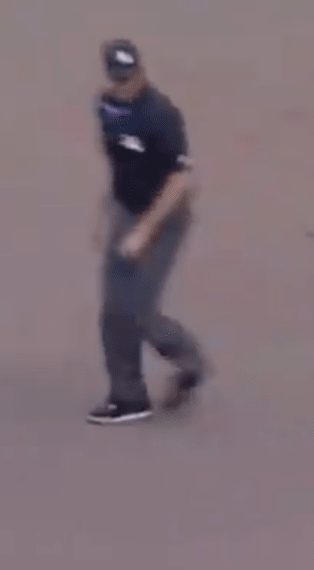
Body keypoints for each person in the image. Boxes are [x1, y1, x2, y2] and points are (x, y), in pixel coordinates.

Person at [87, 38, 210, 425]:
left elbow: (181, 180)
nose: (126, 84)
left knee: (139, 311)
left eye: (132, 76)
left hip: (166, 218)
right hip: (127, 212)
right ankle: (128, 397)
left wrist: (144, 231)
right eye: (119, 78)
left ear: (141, 71)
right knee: (113, 311)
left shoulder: (160, 114)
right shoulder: (106, 106)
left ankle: (190, 362)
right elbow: (119, 164)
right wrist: (106, 212)